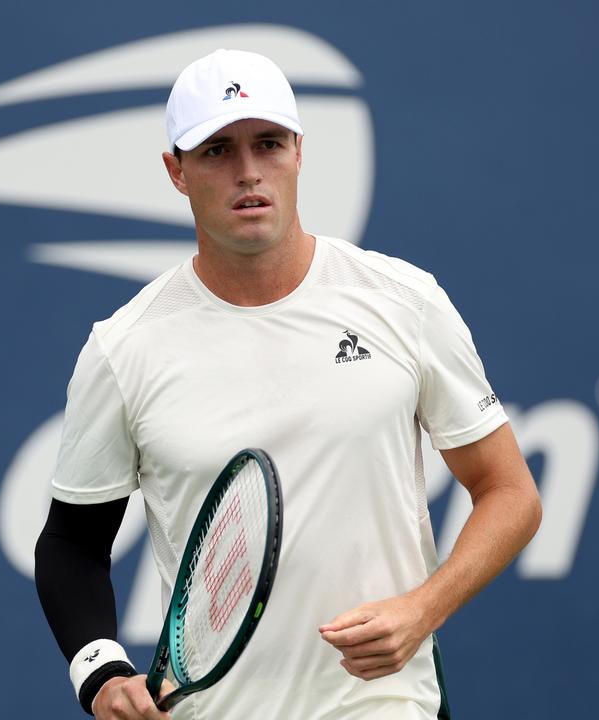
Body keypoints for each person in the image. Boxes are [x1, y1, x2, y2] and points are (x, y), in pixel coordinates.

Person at [34, 49, 542, 719]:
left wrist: (422, 609)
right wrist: (101, 673)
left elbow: (509, 491)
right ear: (175, 172)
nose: (249, 172)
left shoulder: (403, 301)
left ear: (299, 152)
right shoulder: (125, 348)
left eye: (267, 144)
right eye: (216, 151)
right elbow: (72, 543)